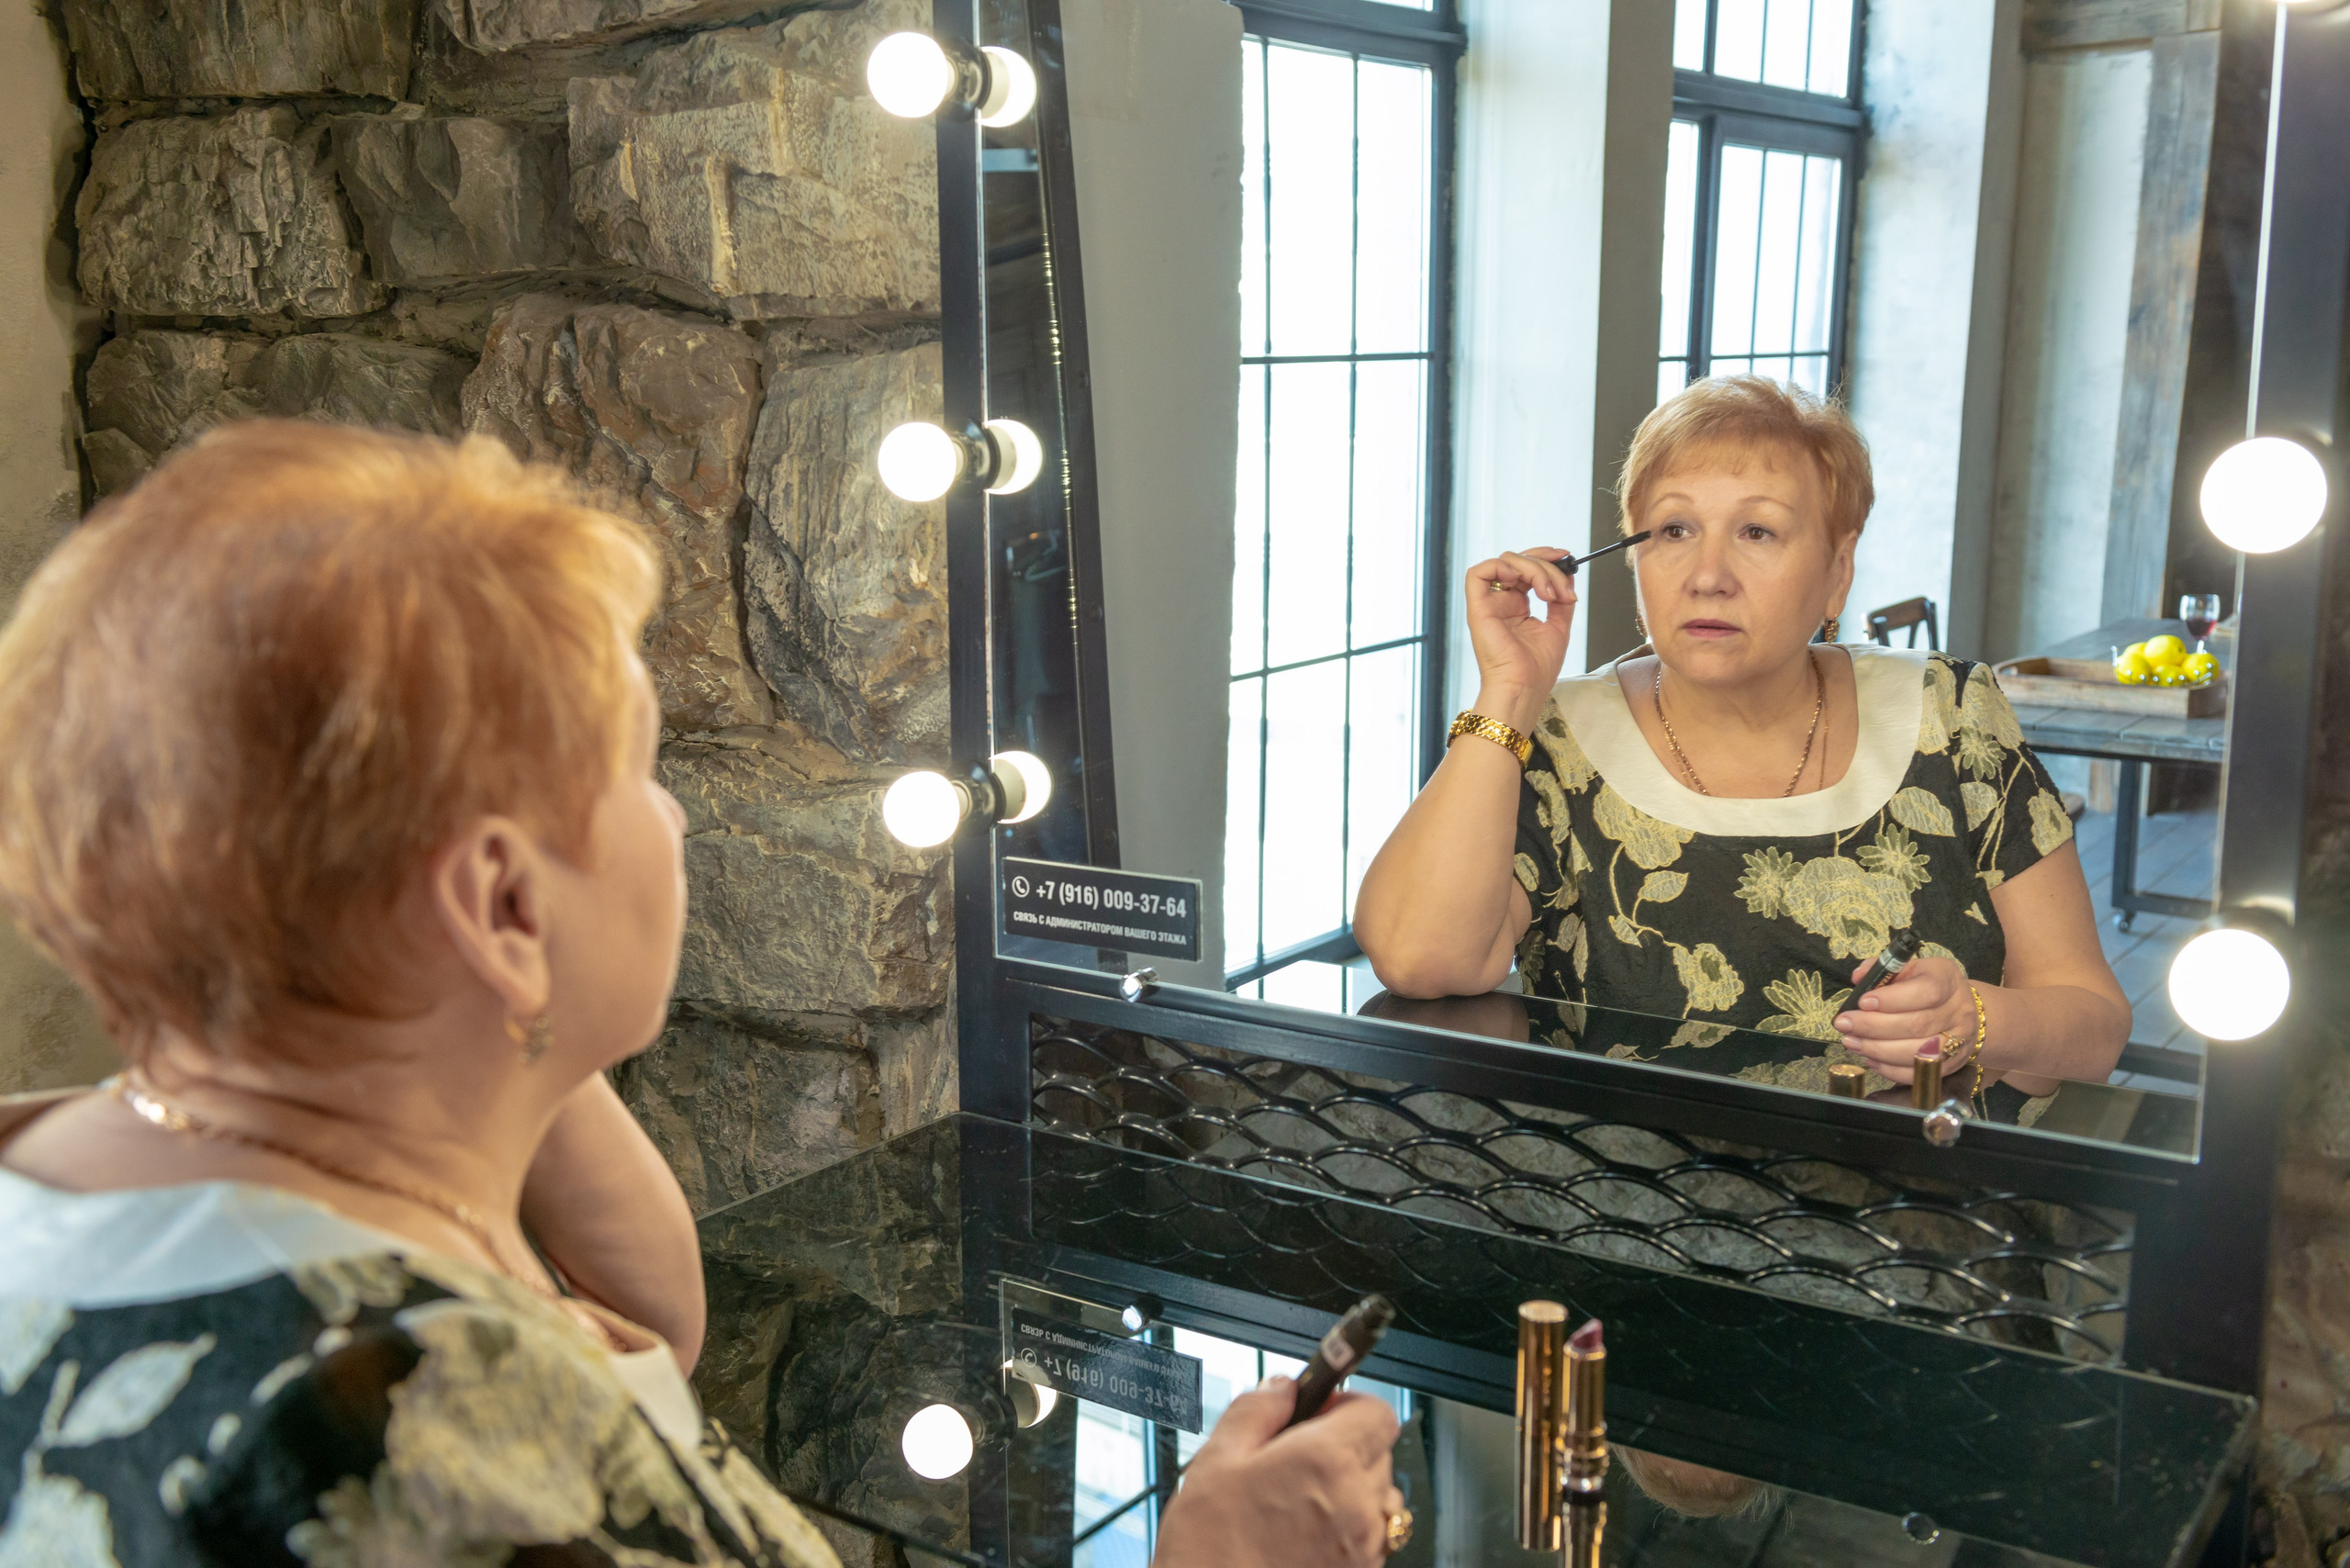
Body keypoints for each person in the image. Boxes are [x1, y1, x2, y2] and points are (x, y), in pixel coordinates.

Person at [0, 421, 1402, 1568]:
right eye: (641, 769)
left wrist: (506, 1040)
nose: (674, 821)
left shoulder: (73, 1174)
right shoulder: (449, 1435)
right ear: (502, 905)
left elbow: (642, 1344)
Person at [1355, 378, 2129, 1110]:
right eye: (1674, 530)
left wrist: (1977, 1022)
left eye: (1757, 531)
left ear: (1837, 571)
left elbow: (2095, 1030)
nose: (1708, 575)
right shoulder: (1557, 736)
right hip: (1626, 1190)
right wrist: (1510, 693)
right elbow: (1419, 960)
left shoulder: (1950, 713)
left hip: (1923, 1186)